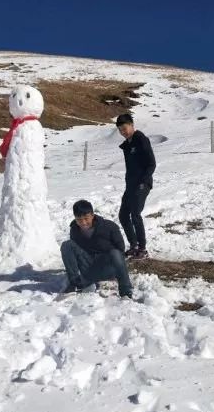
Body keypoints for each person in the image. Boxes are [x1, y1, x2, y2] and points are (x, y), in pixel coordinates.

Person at [60, 200, 133, 299]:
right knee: (66, 245)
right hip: (88, 268)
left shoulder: (109, 226)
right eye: (79, 219)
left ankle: (126, 291)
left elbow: (120, 249)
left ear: (92, 215)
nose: (83, 223)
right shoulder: (74, 229)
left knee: (115, 252)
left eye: (86, 218)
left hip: (107, 267)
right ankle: (76, 283)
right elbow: (75, 253)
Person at [116, 113, 156, 260]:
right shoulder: (128, 144)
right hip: (130, 185)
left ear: (132, 125)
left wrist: (143, 182)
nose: (123, 132)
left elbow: (151, 163)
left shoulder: (140, 139)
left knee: (135, 214)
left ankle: (142, 248)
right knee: (123, 214)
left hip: (142, 184)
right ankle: (133, 245)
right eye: (120, 130)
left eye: (125, 128)